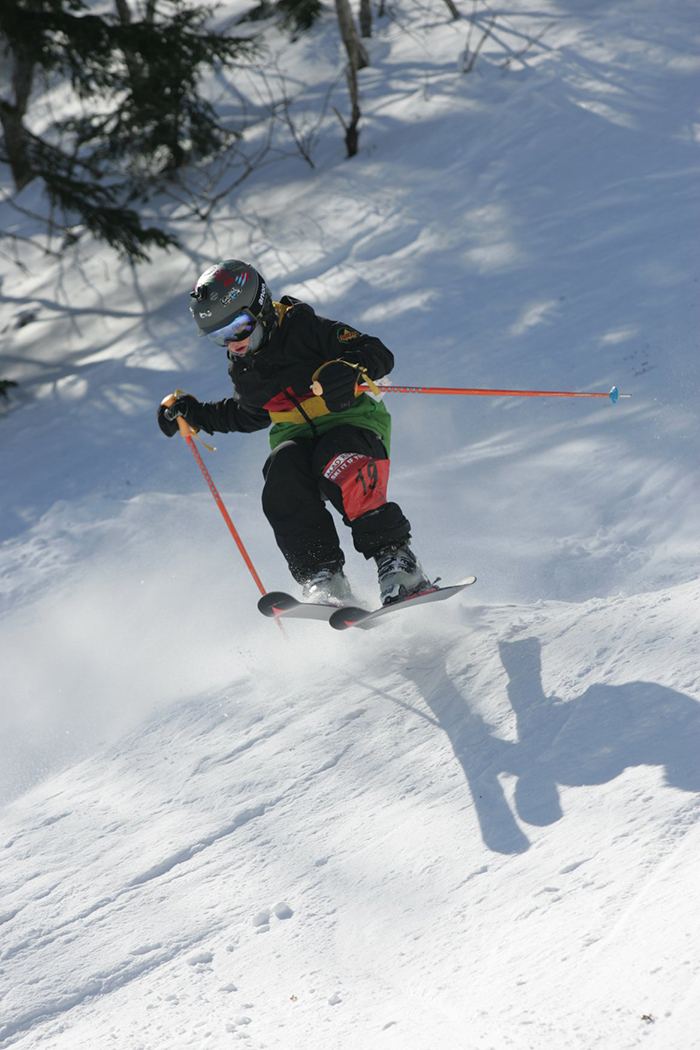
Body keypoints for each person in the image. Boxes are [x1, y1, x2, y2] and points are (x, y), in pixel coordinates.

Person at [157, 259, 430, 606]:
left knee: (337, 460)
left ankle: (398, 561)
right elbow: (247, 415)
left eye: (238, 327)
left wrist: (347, 369)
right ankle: (323, 576)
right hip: (298, 442)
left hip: (353, 426)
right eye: (219, 336)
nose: (234, 343)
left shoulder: (305, 328)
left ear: (259, 308)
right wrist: (193, 414)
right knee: (281, 475)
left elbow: (377, 352)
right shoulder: (244, 369)